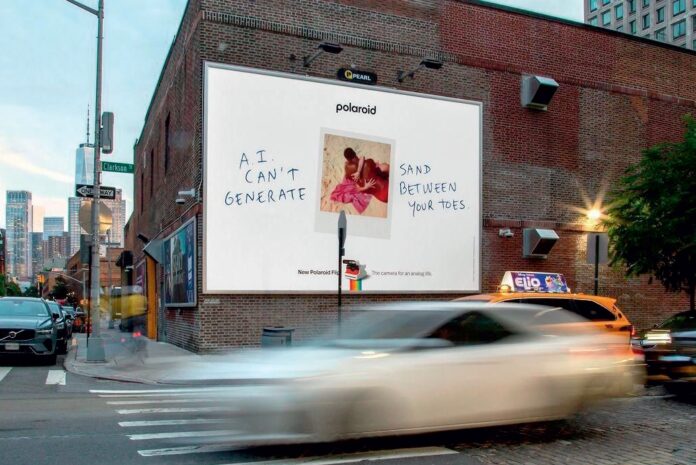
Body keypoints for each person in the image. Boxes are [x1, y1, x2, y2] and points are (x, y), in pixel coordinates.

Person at [329, 148, 389, 213]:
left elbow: (357, 189)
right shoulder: (369, 162)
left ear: (347, 159)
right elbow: (363, 158)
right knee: (385, 166)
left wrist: (365, 187)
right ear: (355, 154)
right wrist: (360, 171)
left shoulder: (349, 172)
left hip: (382, 198)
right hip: (387, 188)